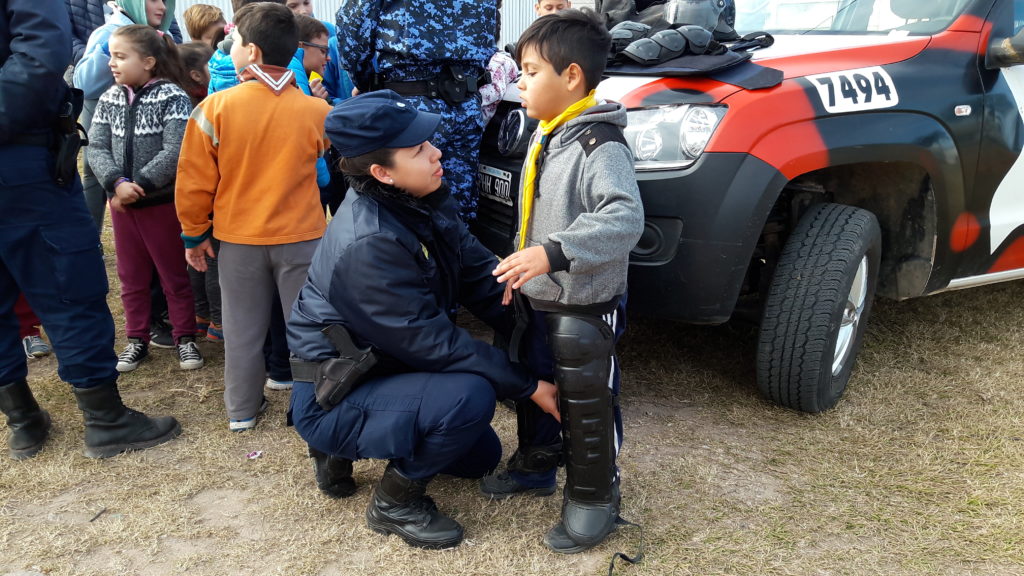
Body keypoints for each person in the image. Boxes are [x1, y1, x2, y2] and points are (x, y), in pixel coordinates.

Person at [286, 90, 559, 550]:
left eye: (428, 142)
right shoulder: (370, 244)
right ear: (382, 173)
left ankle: (359, 441)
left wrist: (538, 324)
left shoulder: (419, 201)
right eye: (418, 150)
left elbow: (481, 275)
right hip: (335, 390)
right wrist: (528, 385)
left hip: (386, 367)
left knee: (479, 457)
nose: (437, 154)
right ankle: (393, 502)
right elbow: (432, 343)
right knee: (468, 399)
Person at [479, 10, 644, 553]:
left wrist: (552, 254)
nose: (520, 82)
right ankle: (537, 465)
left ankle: (596, 495)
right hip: (541, 296)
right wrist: (521, 266)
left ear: (571, 76)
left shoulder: (600, 143)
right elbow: (536, 215)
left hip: (585, 303)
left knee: (587, 397)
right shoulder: (548, 132)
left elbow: (624, 218)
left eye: (530, 72)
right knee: (536, 380)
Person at [0, 0, 180, 460]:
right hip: (17, 163)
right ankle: (104, 419)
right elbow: (40, 57)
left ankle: (22, 419)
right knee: (66, 285)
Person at [176, 1, 330, 431]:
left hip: (239, 240)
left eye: (237, 42)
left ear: (253, 52)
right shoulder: (317, 112)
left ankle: (241, 410)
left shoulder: (214, 109)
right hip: (303, 238)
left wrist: (194, 234)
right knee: (307, 327)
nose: (231, 48)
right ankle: (313, 406)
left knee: (242, 329)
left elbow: (193, 181)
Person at [86, 25, 204, 373]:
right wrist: (115, 182)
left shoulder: (173, 97)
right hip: (123, 208)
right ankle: (137, 338)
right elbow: (96, 146)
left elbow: (175, 148)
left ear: (149, 61)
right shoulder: (109, 98)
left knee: (173, 274)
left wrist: (139, 185)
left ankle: (185, 337)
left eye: (121, 56)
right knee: (131, 277)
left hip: (160, 206)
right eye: (111, 56)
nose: (112, 63)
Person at [337, 0, 496, 221]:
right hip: (464, 102)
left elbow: (353, 28)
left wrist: (366, 83)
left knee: (404, 207)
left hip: (411, 104)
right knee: (457, 208)